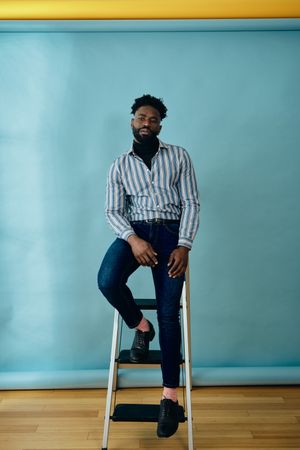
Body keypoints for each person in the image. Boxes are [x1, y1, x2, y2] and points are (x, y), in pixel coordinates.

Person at [98, 94, 200, 438]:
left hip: (172, 233)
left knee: (169, 312)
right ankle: (141, 326)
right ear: (132, 120)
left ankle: (169, 398)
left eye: (153, 119)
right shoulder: (119, 164)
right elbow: (114, 210)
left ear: (160, 125)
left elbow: (191, 202)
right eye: (141, 117)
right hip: (136, 230)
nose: (147, 123)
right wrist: (134, 239)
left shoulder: (180, 156)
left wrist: (184, 245)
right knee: (108, 280)